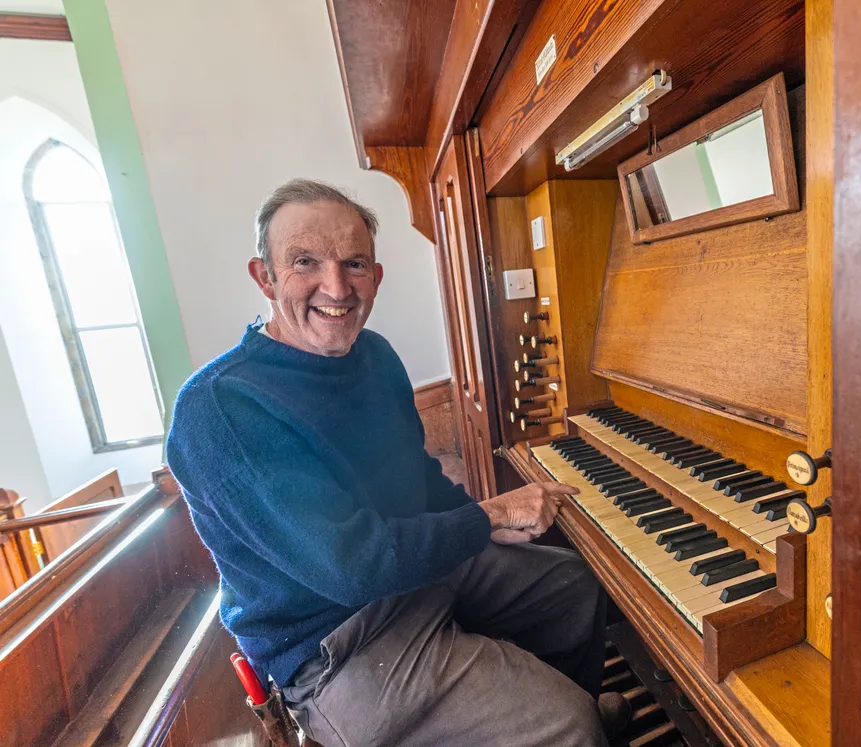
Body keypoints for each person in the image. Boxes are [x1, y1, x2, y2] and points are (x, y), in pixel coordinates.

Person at [166, 179, 630, 746]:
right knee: (567, 726)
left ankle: (555, 714)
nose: (336, 286)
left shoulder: (375, 355)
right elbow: (349, 566)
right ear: (264, 277)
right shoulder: (221, 408)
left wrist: (487, 521)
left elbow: (418, 480)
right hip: (335, 645)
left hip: (413, 576)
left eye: (354, 263)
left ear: (376, 277)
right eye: (304, 262)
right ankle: (568, 728)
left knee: (572, 587)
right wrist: (486, 518)